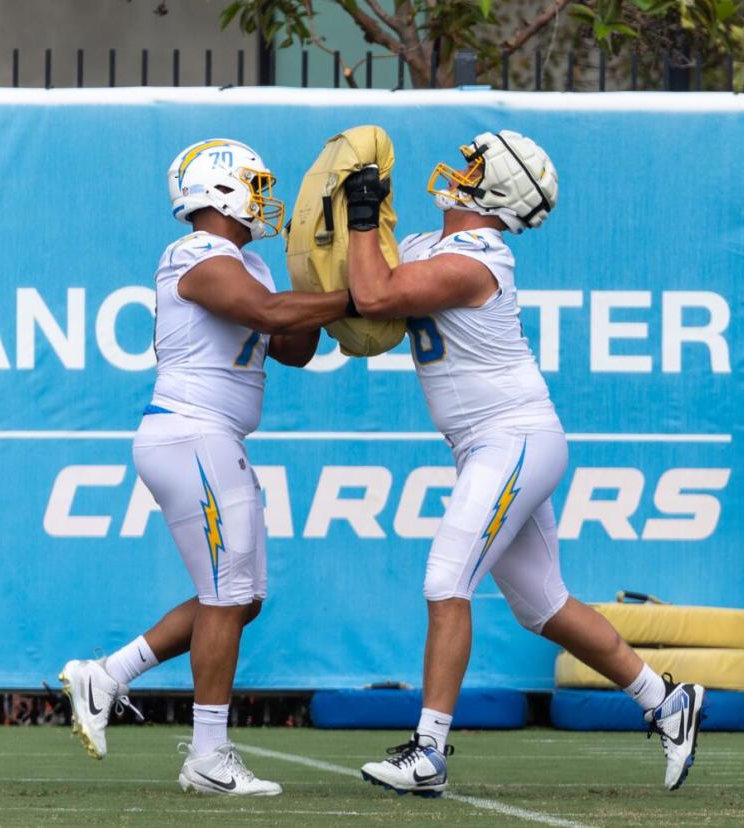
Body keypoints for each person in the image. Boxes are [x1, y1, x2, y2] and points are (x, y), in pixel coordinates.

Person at [345, 130, 705, 796]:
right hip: (495, 442)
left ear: (498, 189)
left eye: (476, 165)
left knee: (446, 579)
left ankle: (427, 751)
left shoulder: (478, 259)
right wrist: (354, 223)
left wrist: (362, 214)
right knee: (544, 606)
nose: (460, 168)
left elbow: (372, 297)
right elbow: (360, 288)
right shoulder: (434, 247)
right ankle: (666, 700)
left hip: (512, 438)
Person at [59, 138, 354, 796]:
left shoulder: (245, 260)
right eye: (253, 183)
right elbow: (269, 314)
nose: (262, 197)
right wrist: (356, 298)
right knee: (227, 595)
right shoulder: (196, 253)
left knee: (242, 600)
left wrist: (323, 283)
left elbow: (293, 347)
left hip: (212, 438)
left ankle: (107, 674)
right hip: (193, 435)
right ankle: (209, 756)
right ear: (220, 189)